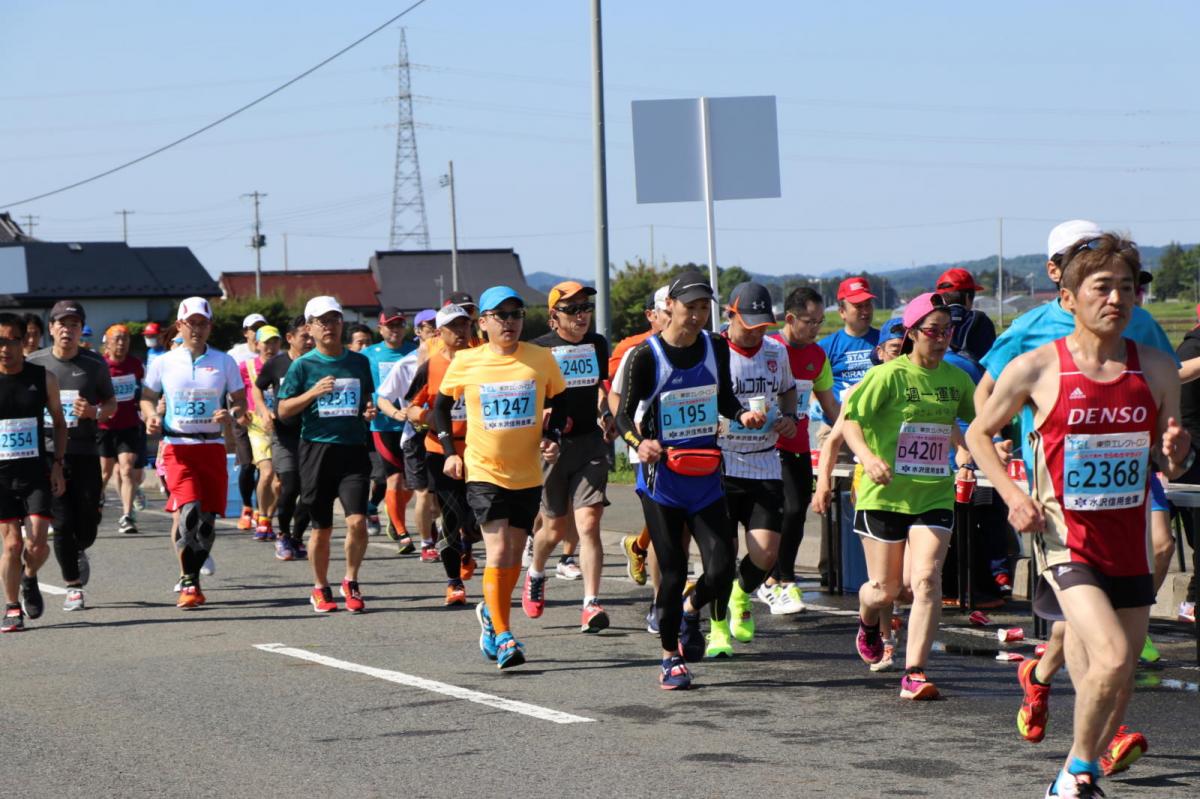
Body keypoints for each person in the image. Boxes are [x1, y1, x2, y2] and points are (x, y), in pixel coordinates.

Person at [966, 233, 1191, 798]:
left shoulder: (1159, 368)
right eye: (1101, 288)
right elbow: (978, 433)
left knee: (1118, 681)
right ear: (1068, 298)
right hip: (1063, 537)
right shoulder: (1037, 368)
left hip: (1128, 537)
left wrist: (1175, 449)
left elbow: (1170, 449)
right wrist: (1015, 496)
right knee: (1114, 656)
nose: (1116, 299)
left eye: (1126, 288)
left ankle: (1075, 766)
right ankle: (1078, 772)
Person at [615, 270, 765, 690]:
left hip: (704, 474)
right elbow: (622, 415)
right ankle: (670, 657)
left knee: (721, 570)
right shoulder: (647, 356)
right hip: (662, 480)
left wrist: (741, 415)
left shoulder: (714, 346)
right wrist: (638, 444)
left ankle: (690, 609)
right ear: (670, 308)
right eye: (690, 307)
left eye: (704, 307)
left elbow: (724, 398)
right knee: (675, 568)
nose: (698, 315)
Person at [842, 292, 976, 700]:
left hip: (934, 493)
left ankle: (915, 671)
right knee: (886, 590)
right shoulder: (888, 376)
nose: (940, 339)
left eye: (947, 331)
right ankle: (868, 620)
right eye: (932, 331)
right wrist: (868, 458)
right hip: (884, 496)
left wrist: (976, 450)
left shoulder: (956, 380)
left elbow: (979, 421)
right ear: (913, 333)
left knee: (925, 580)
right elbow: (850, 423)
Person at [434, 286, 567, 669]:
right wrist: (449, 454)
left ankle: (492, 616)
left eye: (516, 315)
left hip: (527, 472)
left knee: (512, 555)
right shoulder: (467, 361)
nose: (509, 322)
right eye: (500, 316)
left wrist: (552, 436)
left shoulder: (540, 359)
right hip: (483, 470)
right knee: (497, 552)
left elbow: (559, 403)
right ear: (484, 322)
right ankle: (506, 636)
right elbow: (440, 408)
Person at [141, 297, 245, 609]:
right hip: (178, 447)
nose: (196, 329)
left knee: (207, 522)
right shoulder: (163, 362)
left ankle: (194, 578)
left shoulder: (224, 362)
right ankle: (189, 582)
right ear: (180, 325)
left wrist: (230, 414)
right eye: (191, 323)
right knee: (188, 511)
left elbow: (239, 401)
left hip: (211, 447)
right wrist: (151, 416)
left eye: (202, 323)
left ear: (210, 326)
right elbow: (147, 397)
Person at [523, 281, 615, 633]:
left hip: (590, 444)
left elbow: (599, 389)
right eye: (572, 309)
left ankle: (591, 603)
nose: (581, 315)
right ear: (553, 317)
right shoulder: (538, 351)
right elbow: (531, 400)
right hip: (552, 448)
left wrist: (607, 416)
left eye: (585, 308)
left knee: (589, 524)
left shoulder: (596, 344)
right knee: (554, 528)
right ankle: (536, 570)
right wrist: (542, 432)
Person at [277, 296, 376, 614]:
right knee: (321, 527)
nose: (330, 326)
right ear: (310, 328)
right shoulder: (302, 365)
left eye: (334, 319)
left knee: (358, 522)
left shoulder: (359, 362)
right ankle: (320, 587)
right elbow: (283, 410)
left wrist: (368, 410)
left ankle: (351, 580)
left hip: (353, 451)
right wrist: (312, 393)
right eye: (322, 321)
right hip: (316, 451)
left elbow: (365, 401)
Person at [716, 282, 800, 653]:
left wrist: (790, 417)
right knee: (720, 554)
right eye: (748, 325)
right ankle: (717, 628)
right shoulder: (713, 350)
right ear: (730, 315)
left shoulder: (775, 352)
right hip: (720, 461)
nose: (756, 333)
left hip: (765, 460)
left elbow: (788, 389)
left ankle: (741, 593)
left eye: (762, 326)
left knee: (766, 553)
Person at [27, 300, 117, 612]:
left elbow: (111, 404)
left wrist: (94, 411)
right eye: (61, 324)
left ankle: (80, 548)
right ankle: (73, 586)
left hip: (84, 451)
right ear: (50, 328)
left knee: (88, 522)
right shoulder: (35, 363)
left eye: (74, 324)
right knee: (62, 523)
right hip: (49, 454)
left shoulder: (94, 365)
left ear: (81, 330)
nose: (67, 329)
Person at [386, 304, 477, 605]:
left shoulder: (483, 360)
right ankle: (454, 583)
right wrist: (429, 418)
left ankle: (467, 544)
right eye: (454, 327)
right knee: (451, 513)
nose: (462, 332)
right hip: (440, 449)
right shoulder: (431, 366)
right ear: (440, 333)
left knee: (477, 515)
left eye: (466, 325)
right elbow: (411, 405)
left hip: (479, 448)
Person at [767, 286, 839, 613]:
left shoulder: (817, 356)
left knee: (796, 514)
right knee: (783, 511)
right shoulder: (769, 347)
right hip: (764, 446)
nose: (816, 329)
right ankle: (782, 581)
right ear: (790, 318)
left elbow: (830, 405)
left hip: (798, 444)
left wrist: (856, 434)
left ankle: (776, 578)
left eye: (821, 322)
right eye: (810, 322)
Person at [0, 312, 66, 632]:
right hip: (0, 477)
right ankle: (13, 608)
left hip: (35, 472)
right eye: (0, 341)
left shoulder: (43, 378)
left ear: (23, 341)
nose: (5, 347)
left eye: (12, 340)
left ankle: (29, 578)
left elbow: (60, 421)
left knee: (38, 544)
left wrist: (57, 466)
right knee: (12, 545)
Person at [610, 286, 669, 626]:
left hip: (692, 449)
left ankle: (637, 546)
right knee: (666, 531)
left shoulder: (703, 345)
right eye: (666, 308)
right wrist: (634, 438)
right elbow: (615, 398)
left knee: (680, 528)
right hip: (648, 451)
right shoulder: (633, 349)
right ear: (652, 314)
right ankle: (661, 605)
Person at [254, 315, 313, 561]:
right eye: (304, 336)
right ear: (290, 339)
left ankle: (297, 537)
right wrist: (264, 411)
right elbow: (258, 388)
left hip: (313, 435)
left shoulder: (318, 363)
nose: (310, 341)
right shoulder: (276, 364)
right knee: (290, 486)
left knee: (311, 491)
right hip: (284, 436)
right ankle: (283, 535)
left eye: (312, 336)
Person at [363, 307, 420, 548]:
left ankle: (391, 514)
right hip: (382, 425)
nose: (394, 330)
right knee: (393, 479)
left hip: (411, 425)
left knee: (411, 485)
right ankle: (401, 531)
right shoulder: (368, 354)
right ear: (380, 328)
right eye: (390, 325)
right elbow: (362, 385)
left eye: (399, 325)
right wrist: (367, 404)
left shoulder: (416, 352)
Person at [99, 324, 146, 535]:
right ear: (107, 343)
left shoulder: (136, 365)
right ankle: (95, 503)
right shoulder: (100, 366)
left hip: (128, 425)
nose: (121, 343)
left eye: (125, 339)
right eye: (117, 339)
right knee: (105, 473)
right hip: (104, 426)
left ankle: (127, 515)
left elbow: (144, 392)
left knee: (127, 469)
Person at [240, 325, 283, 542]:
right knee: (266, 473)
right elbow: (235, 393)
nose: (270, 347)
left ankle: (267, 518)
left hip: (282, 425)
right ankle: (262, 517)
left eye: (274, 342)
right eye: (266, 342)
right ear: (257, 344)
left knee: (279, 481)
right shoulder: (245, 366)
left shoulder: (286, 366)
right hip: (257, 425)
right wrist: (237, 412)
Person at [229, 313, 267, 531]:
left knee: (265, 467)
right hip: (243, 416)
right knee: (246, 465)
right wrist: (237, 411)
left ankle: (263, 509)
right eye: (253, 328)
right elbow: (228, 385)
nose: (257, 332)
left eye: (261, 327)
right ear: (246, 332)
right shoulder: (235, 355)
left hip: (264, 417)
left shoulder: (272, 352)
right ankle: (246, 508)